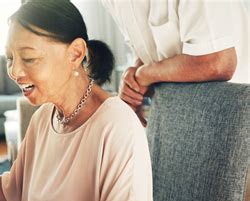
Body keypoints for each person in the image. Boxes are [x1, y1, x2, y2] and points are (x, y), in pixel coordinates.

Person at [0, 1, 153, 201]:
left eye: (29, 58)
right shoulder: (44, 117)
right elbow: (14, 189)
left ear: (76, 53)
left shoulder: (117, 127)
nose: (14, 71)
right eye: (10, 58)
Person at [100, 0, 249, 124]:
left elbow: (219, 62)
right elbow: (147, 47)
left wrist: (144, 75)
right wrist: (133, 83)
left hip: (233, 120)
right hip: (175, 116)